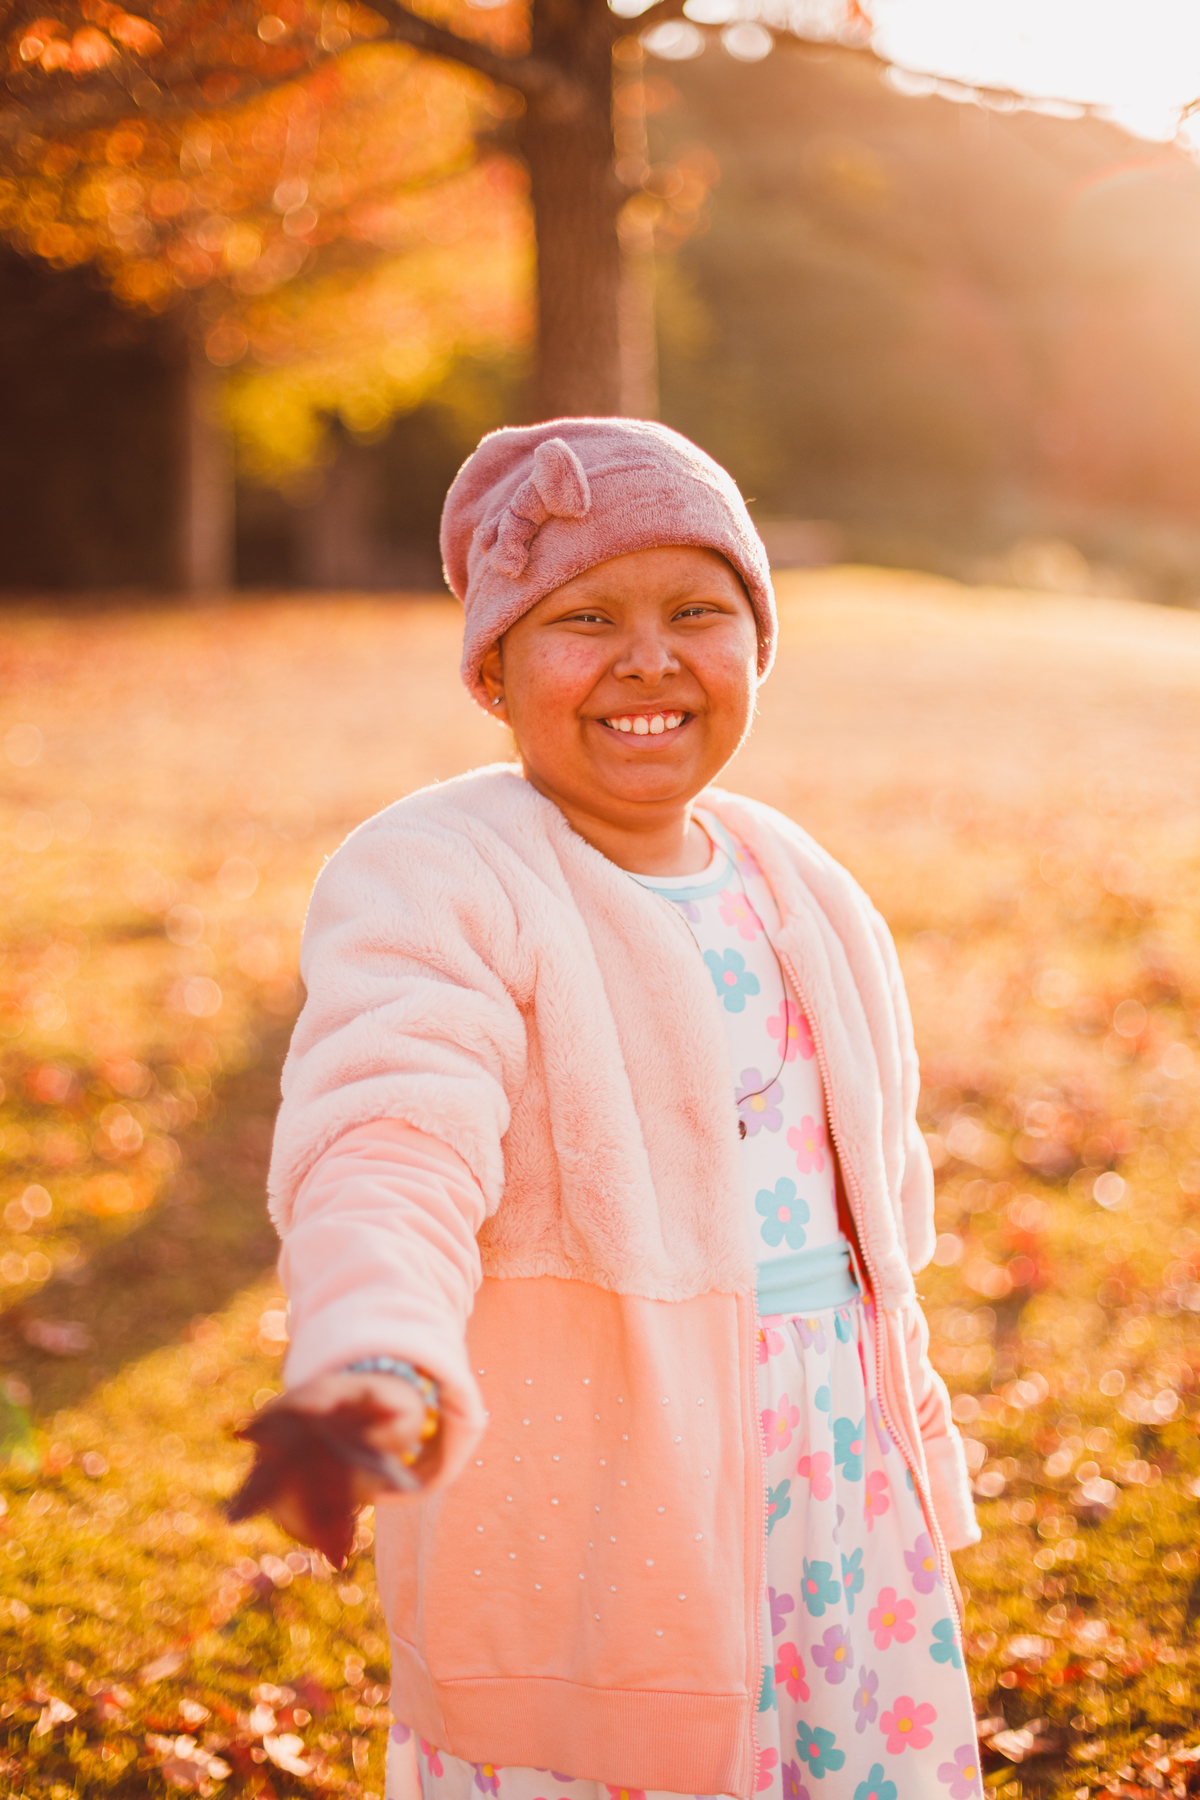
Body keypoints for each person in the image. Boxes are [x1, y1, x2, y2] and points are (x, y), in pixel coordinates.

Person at [264, 419, 981, 1800]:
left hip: (831, 1470)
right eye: (584, 618)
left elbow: (881, 1226)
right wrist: (373, 1336)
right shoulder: (445, 875)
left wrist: (912, 1436)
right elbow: (391, 1129)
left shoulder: (799, 880)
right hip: (594, 1491)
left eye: (697, 613)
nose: (649, 659)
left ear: (756, 645)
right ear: (493, 668)